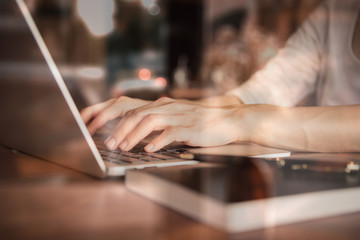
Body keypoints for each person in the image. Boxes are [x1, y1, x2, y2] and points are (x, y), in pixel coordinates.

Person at [81, 0, 360, 153]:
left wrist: (242, 121)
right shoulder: (337, 9)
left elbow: (246, 113)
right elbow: (264, 90)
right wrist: (176, 111)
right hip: (327, 178)